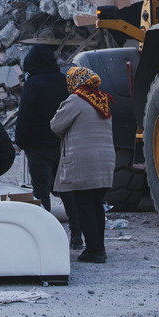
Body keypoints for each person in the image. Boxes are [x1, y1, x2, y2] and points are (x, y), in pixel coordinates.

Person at [14, 45, 83, 249]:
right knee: (68, 192)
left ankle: (47, 238)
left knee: (41, 192)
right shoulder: (65, 82)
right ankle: (77, 237)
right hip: (63, 145)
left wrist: (22, 141)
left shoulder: (33, 84)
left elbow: (25, 115)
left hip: (38, 147)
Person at [51, 67, 115, 264]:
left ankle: (94, 251)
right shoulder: (102, 100)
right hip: (105, 161)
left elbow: (56, 125)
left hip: (84, 162)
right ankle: (99, 247)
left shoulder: (76, 100)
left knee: (84, 206)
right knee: (96, 205)